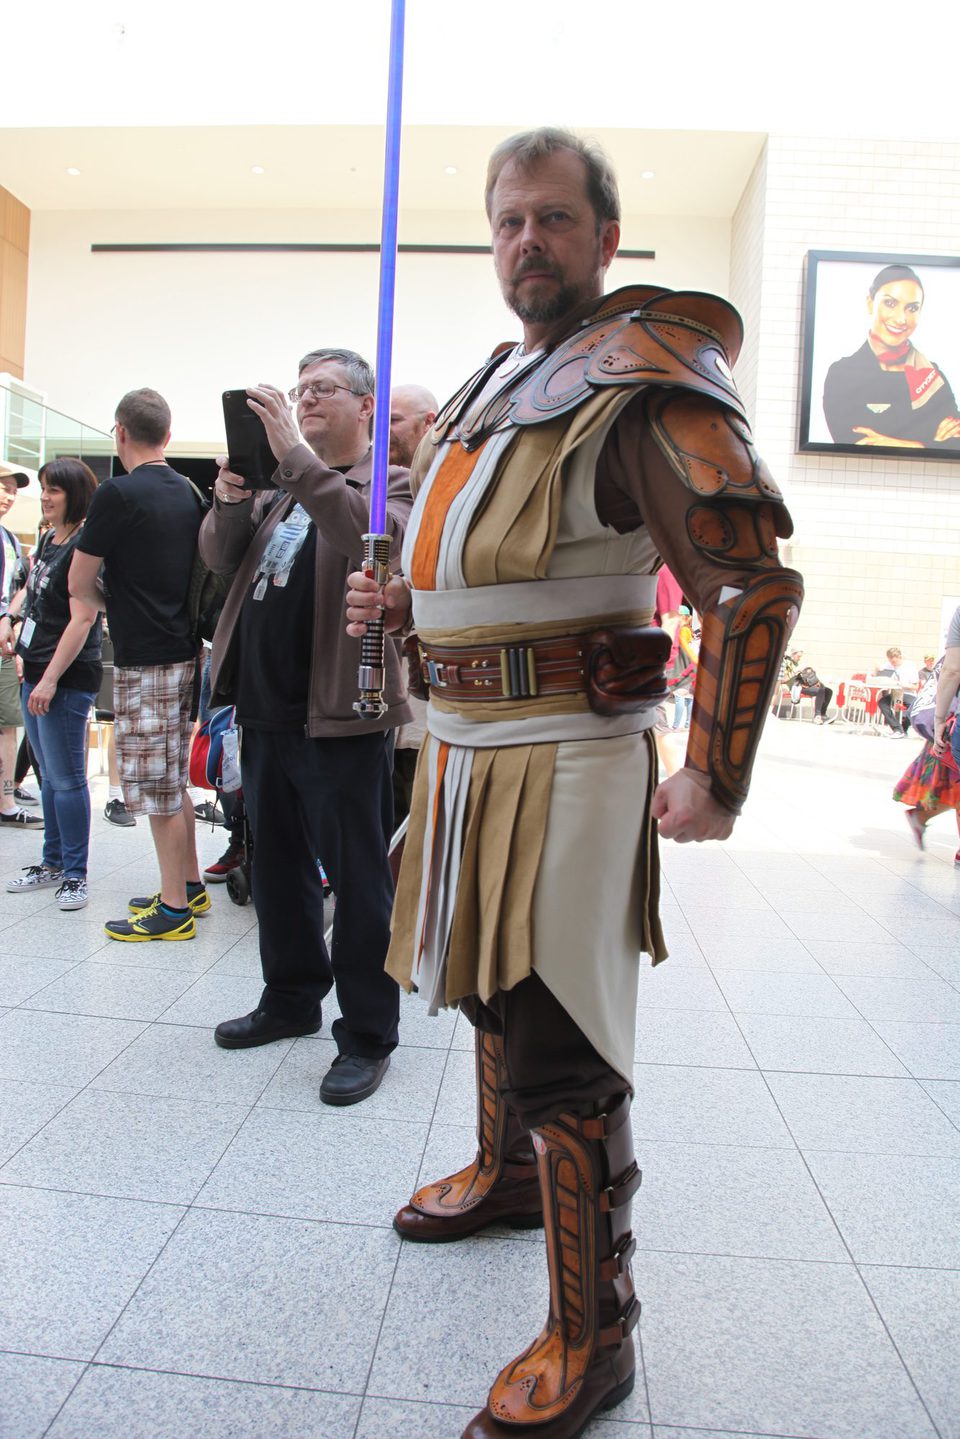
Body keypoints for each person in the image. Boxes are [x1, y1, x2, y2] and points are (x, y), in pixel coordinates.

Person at [346, 127, 802, 1438]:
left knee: (566, 1046)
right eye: (506, 222)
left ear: (605, 238)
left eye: (551, 219)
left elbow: (749, 580)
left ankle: (593, 1335)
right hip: (467, 751)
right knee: (488, 984)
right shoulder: (500, 381)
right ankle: (500, 1174)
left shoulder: (648, 376)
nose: (525, 242)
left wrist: (716, 770)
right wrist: (408, 606)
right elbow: (484, 561)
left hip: (570, 765)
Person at [201, 348, 412, 1107]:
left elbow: (369, 538)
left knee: (356, 882)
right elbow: (221, 560)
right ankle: (290, 997)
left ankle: (367, 1033)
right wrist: (229, 497)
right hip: (263, 707)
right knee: (279, 869)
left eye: (322, 388)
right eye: (299, 390)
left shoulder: (386, 483)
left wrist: (293, 455)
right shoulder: (284, 491)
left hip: (340, 713)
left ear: (365, 406)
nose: (305, 399)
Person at [69, 388, 207, 939]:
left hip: (143, 658)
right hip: (184, 652)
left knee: (155, 789)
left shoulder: (116, 495)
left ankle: (172, 910)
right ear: (168, 436)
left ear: (120, 432)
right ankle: (190, 887)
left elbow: (79, 583)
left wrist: (116, 606)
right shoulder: (191, 492)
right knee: (174, 779)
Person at [1, 459, 102, 908]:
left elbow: (83, 620)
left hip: (64, 677)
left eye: (53, 490)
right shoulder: (50, 538)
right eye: (43, 489)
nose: (44, 497)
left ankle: (75, 873)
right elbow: (34, 592)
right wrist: (11, 617)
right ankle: (53, 861)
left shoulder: (84, 542)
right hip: (35, 667)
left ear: (75, 495)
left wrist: (50, 680)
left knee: (67, 779)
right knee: (48, 776)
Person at [823, 264, 960, 450]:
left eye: (912, 308)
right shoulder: (843, 373)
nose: (901, 319)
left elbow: (957, 442)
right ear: (870, 304)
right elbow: (856, 443)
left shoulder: (932, 375)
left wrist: (911, 445)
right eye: (890, 303)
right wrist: (931, 442)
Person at [388, 384, 438, 825]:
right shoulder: (378, 487)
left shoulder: (443, 491)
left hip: (426, 700)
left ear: (429, 423)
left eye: (395, 420)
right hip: (386, 698)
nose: (384, 433)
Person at [895, 605, 960, 864]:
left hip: (948, 727)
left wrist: (939, 719)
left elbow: (952, 670)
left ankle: (920, 817)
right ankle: (920, 817)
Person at [0, 469, 43, 830]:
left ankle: (6, 799)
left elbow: (22, 586)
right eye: (2, 487)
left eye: (12, 489)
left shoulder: (11, 540)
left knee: (8, 722)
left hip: (4, 645)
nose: (7, 495)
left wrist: (10, 619)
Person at [388, 383, 439, 468]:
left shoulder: (453, 474)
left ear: (428, 422)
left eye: (393, 420)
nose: (381, 431)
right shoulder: (375, 478)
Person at [782, 647, 835, 724]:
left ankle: (822, 714)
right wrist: (795, 671)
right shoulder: (786, 663)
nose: (799, 658)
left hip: (804, 684)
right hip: (796, 687)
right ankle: (817, 716)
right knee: (820, 690)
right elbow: (783, 679)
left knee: (828, 691)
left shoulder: (796, 663)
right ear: (793, 654)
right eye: (798, 656)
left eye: (800, 657)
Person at [874, 645, 909, 735]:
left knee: (902, 706)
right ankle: (897, 729)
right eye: (890, 659)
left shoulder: (908, 667)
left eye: (895, 659)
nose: (893, 661)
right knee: (882, 702)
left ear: (899, 657)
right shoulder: (888, 666)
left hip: (907, 693)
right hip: (895, 693)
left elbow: (915, 686)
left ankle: (902, 728)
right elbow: (877, 673)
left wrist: (902, 684)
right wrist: (876, 670)